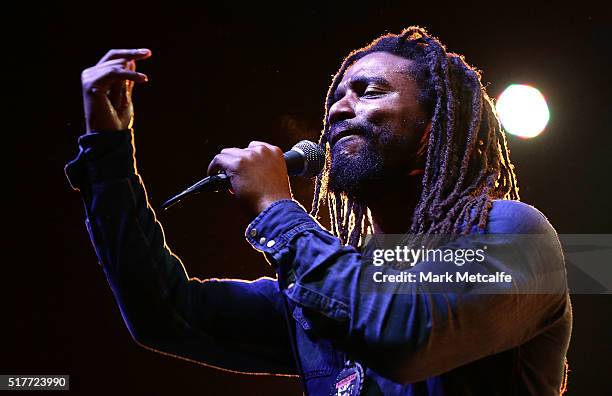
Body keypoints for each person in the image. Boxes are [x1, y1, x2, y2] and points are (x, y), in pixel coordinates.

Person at [66, 27, 571, 395]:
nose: (339, 109)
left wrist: (275, 209)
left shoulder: (517, 233)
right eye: (338, 96)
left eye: (371, 91)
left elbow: (405, 336)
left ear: (433, 127)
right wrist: (107, 152)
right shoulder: (333, 290)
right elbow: (164, 312)